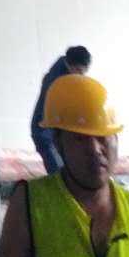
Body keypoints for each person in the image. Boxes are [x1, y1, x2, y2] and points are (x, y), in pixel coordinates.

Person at [0, 74, 129, 257]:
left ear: (116, 139)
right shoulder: (31, 204)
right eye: (80, 139)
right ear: (58, 143)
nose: (95, 150)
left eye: (102, 137)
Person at [33, 45, 92, 174]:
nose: (81, 75)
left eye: (84, 72)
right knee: (60, 172)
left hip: (55, 130)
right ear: (70, 65)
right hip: (45, 131)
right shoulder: (57, 80)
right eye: (79, 70)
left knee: (69, 168)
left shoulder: (65, 65)